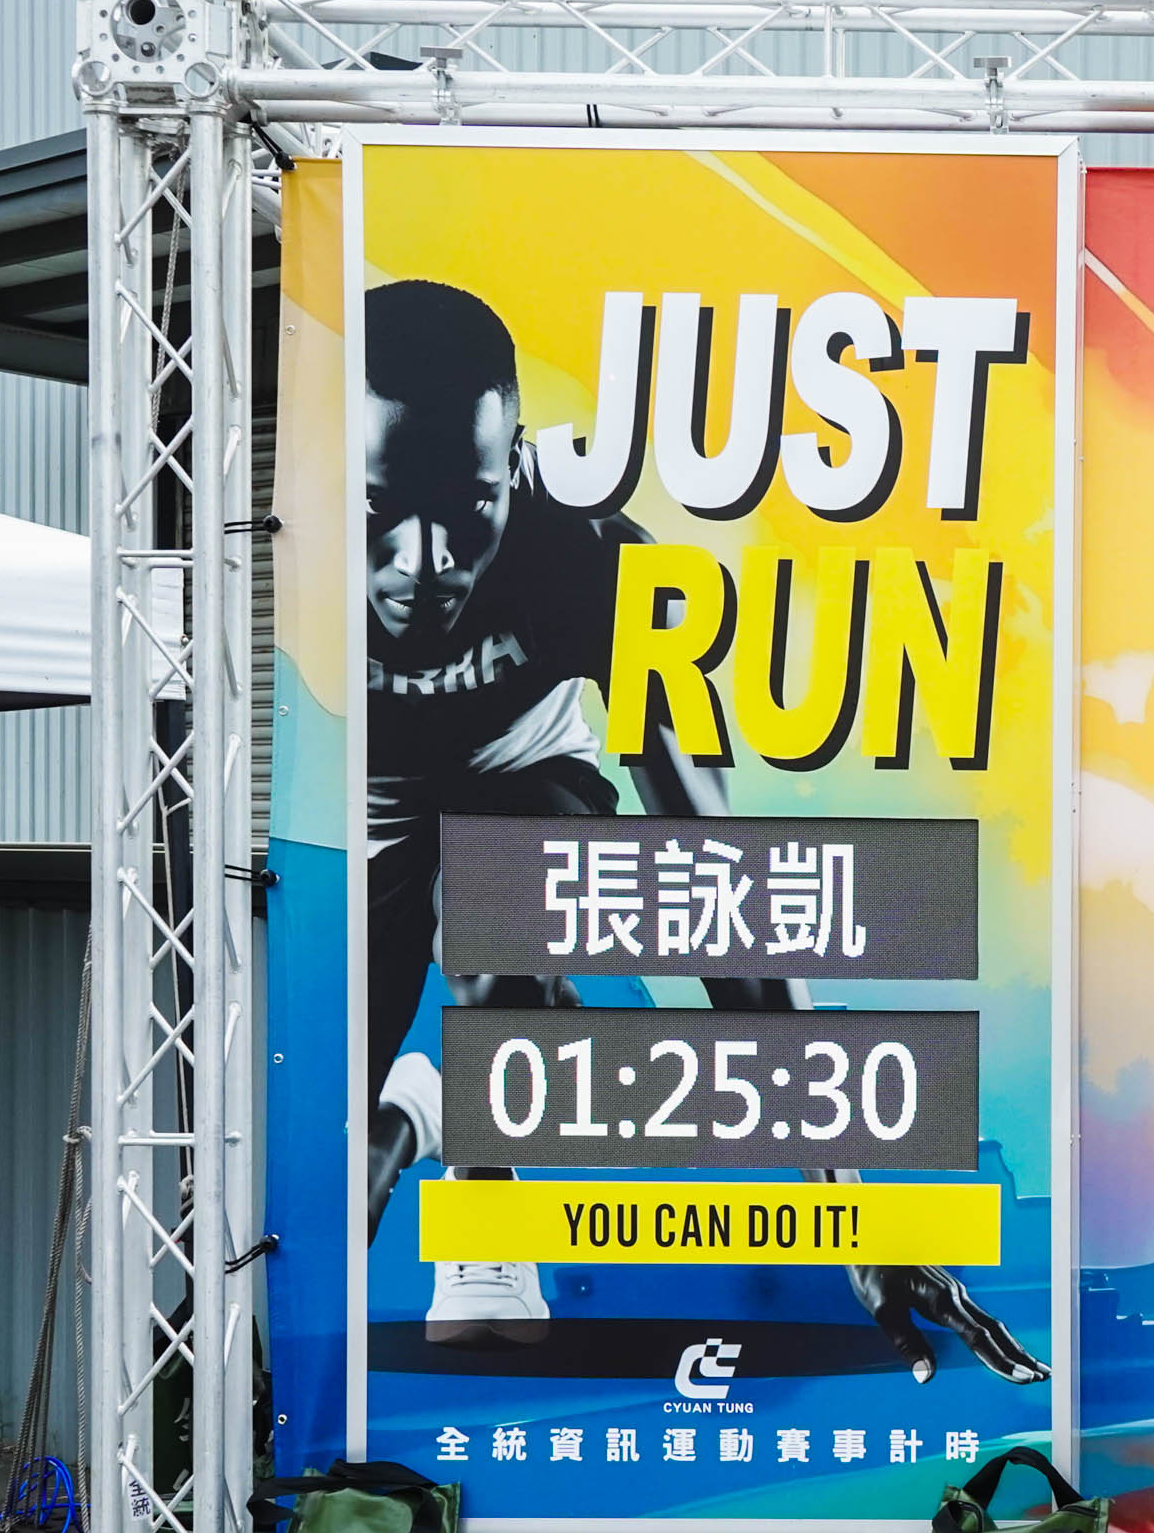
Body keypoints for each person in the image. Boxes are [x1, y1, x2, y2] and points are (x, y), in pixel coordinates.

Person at [350, 283, 1045, 1382]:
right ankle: (425, 1107)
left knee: (497, 896)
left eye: (467, 505)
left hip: (525, 781)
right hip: (377, 818)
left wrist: (851, 1216)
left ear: (516, 465)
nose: (422, 561)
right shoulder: (293, 562)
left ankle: (484, 1196)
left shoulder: (596, 561)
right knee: (339, 1179)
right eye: (380, 508)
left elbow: (716, 881)